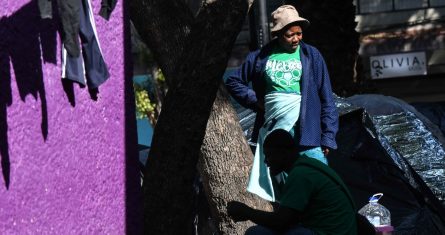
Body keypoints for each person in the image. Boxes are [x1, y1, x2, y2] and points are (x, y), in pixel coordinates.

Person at [225, 5, 338, 201]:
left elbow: (326, 98)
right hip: (277, 135)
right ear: (277, 34)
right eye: (290, 35)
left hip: (308, 134)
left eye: (299, 33)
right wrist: (256, 101)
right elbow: (233, 81)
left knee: (324, 184)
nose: (296, 38)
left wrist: (328, 136)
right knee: (289, 189)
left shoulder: (312, 56)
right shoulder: (260, 57)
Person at [226, 129, 357, 235]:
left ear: (284, 153)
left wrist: (247, 212)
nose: (266, 162)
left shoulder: (300, 175)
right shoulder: (309, 165)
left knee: (256, 233)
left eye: (269, 156)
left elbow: (281, 222)